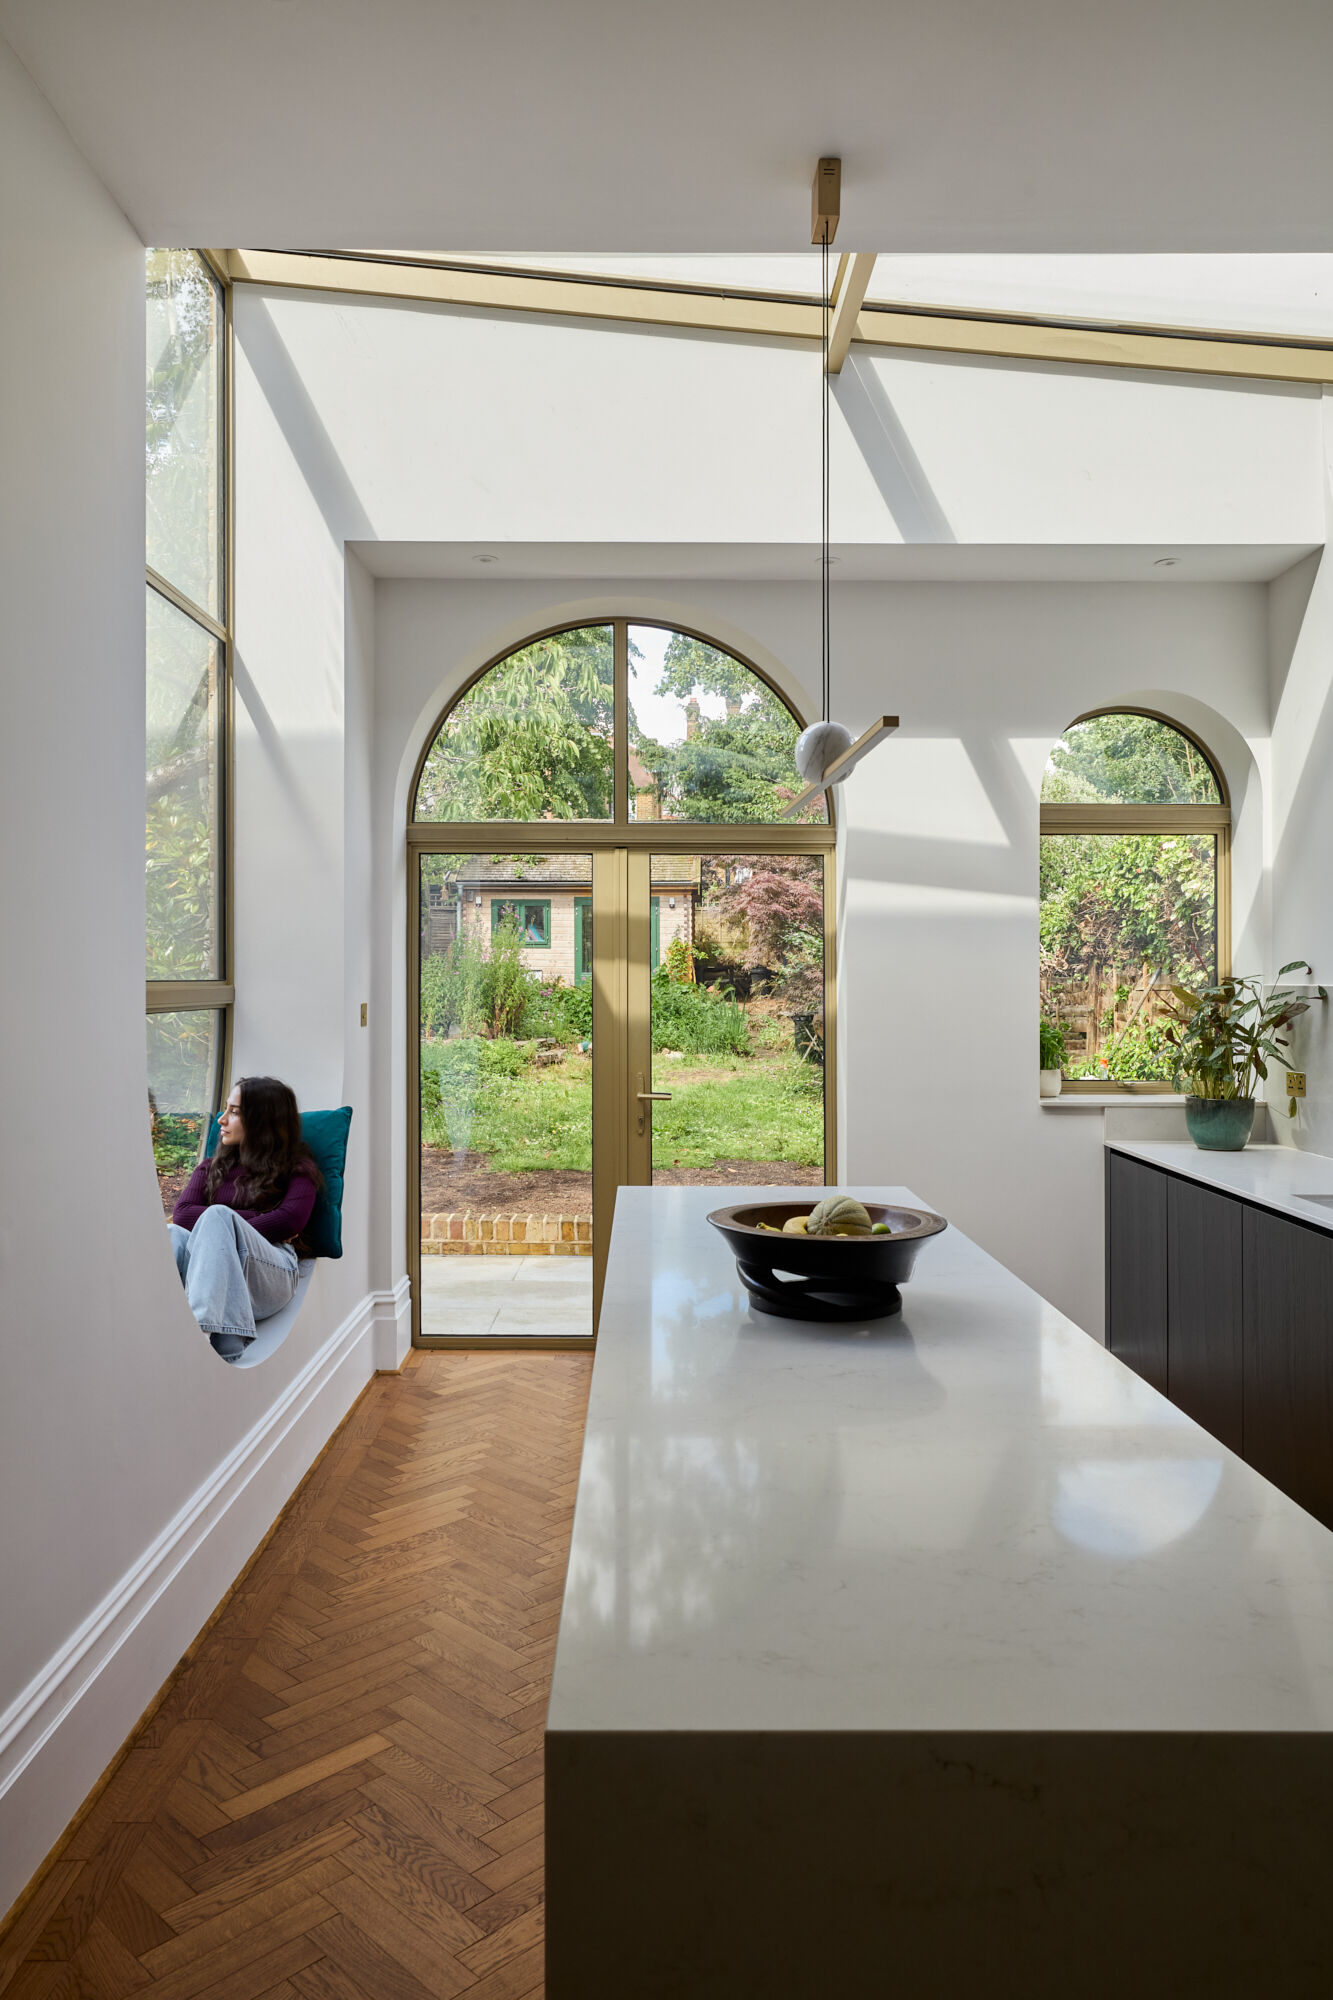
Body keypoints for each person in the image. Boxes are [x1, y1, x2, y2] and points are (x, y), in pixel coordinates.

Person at [170, 1076, 322, 1362]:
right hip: (214, 1274)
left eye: (235, 1112)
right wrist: (257, 1219)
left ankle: (197, 1339)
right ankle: (169, 1325)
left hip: (271, 1274)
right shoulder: (211, 1167)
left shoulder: (297, 1167)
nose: (221, 1120)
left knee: (216, 1216)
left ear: (263, 1120)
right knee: (172, 1235)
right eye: (225, 1109)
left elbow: (289, 1221)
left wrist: (227, 1224)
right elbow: (182, 1213)